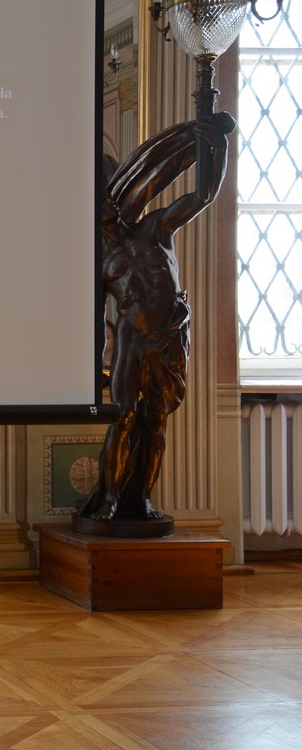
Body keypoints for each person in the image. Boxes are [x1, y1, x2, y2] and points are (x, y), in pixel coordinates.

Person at [77, 111, 235, 525]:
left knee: (155, 418)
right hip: (133, 337)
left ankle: (140, 500)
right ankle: (110, 499)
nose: (105, 206)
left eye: (107, 198)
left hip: (170, 331)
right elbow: (96, 319)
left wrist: (217, 149)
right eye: (98, 200)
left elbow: (201, 197)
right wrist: (93, 367)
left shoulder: (154, 228)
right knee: (125, 416)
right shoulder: (98, 258)